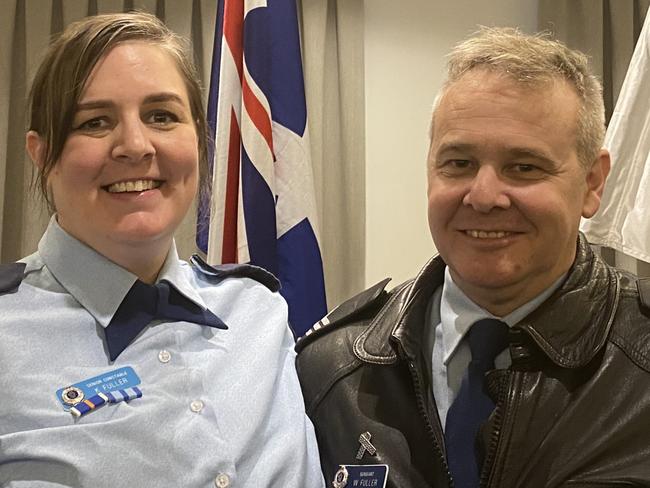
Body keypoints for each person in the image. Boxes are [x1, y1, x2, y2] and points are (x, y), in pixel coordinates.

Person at [296, 26, 650, 488]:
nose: (483, 197)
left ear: (593, 183)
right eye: (458, 163)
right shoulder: (335, 368)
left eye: (524, 167)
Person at [0, 12, 324, 488]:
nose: (135, 145)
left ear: (198, 137)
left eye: (162, 116)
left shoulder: (259, 313)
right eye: (95, 121)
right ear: (41, 154)